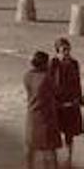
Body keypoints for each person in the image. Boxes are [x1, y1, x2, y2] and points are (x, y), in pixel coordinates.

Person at [27, 50, 63, 169]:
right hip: (46, 117)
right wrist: (56, 71)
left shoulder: (27, 75)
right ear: (44, 64)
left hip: (32, 116)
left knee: (31, 147)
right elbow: (58, 92)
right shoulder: (46, 78)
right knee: (50, 150)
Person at [53, 38, 83, 166]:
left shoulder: (75, 63)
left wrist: (79, 98)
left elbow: (77, 83)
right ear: (58, 51)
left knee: (69, 133)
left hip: (71, 103)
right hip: (57, 103)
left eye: (68, 49)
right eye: (63, 50)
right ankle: (54, 158)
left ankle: (69, 158)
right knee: (55, 131)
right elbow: (48, 83)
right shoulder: (53, 63)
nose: (66, 52)